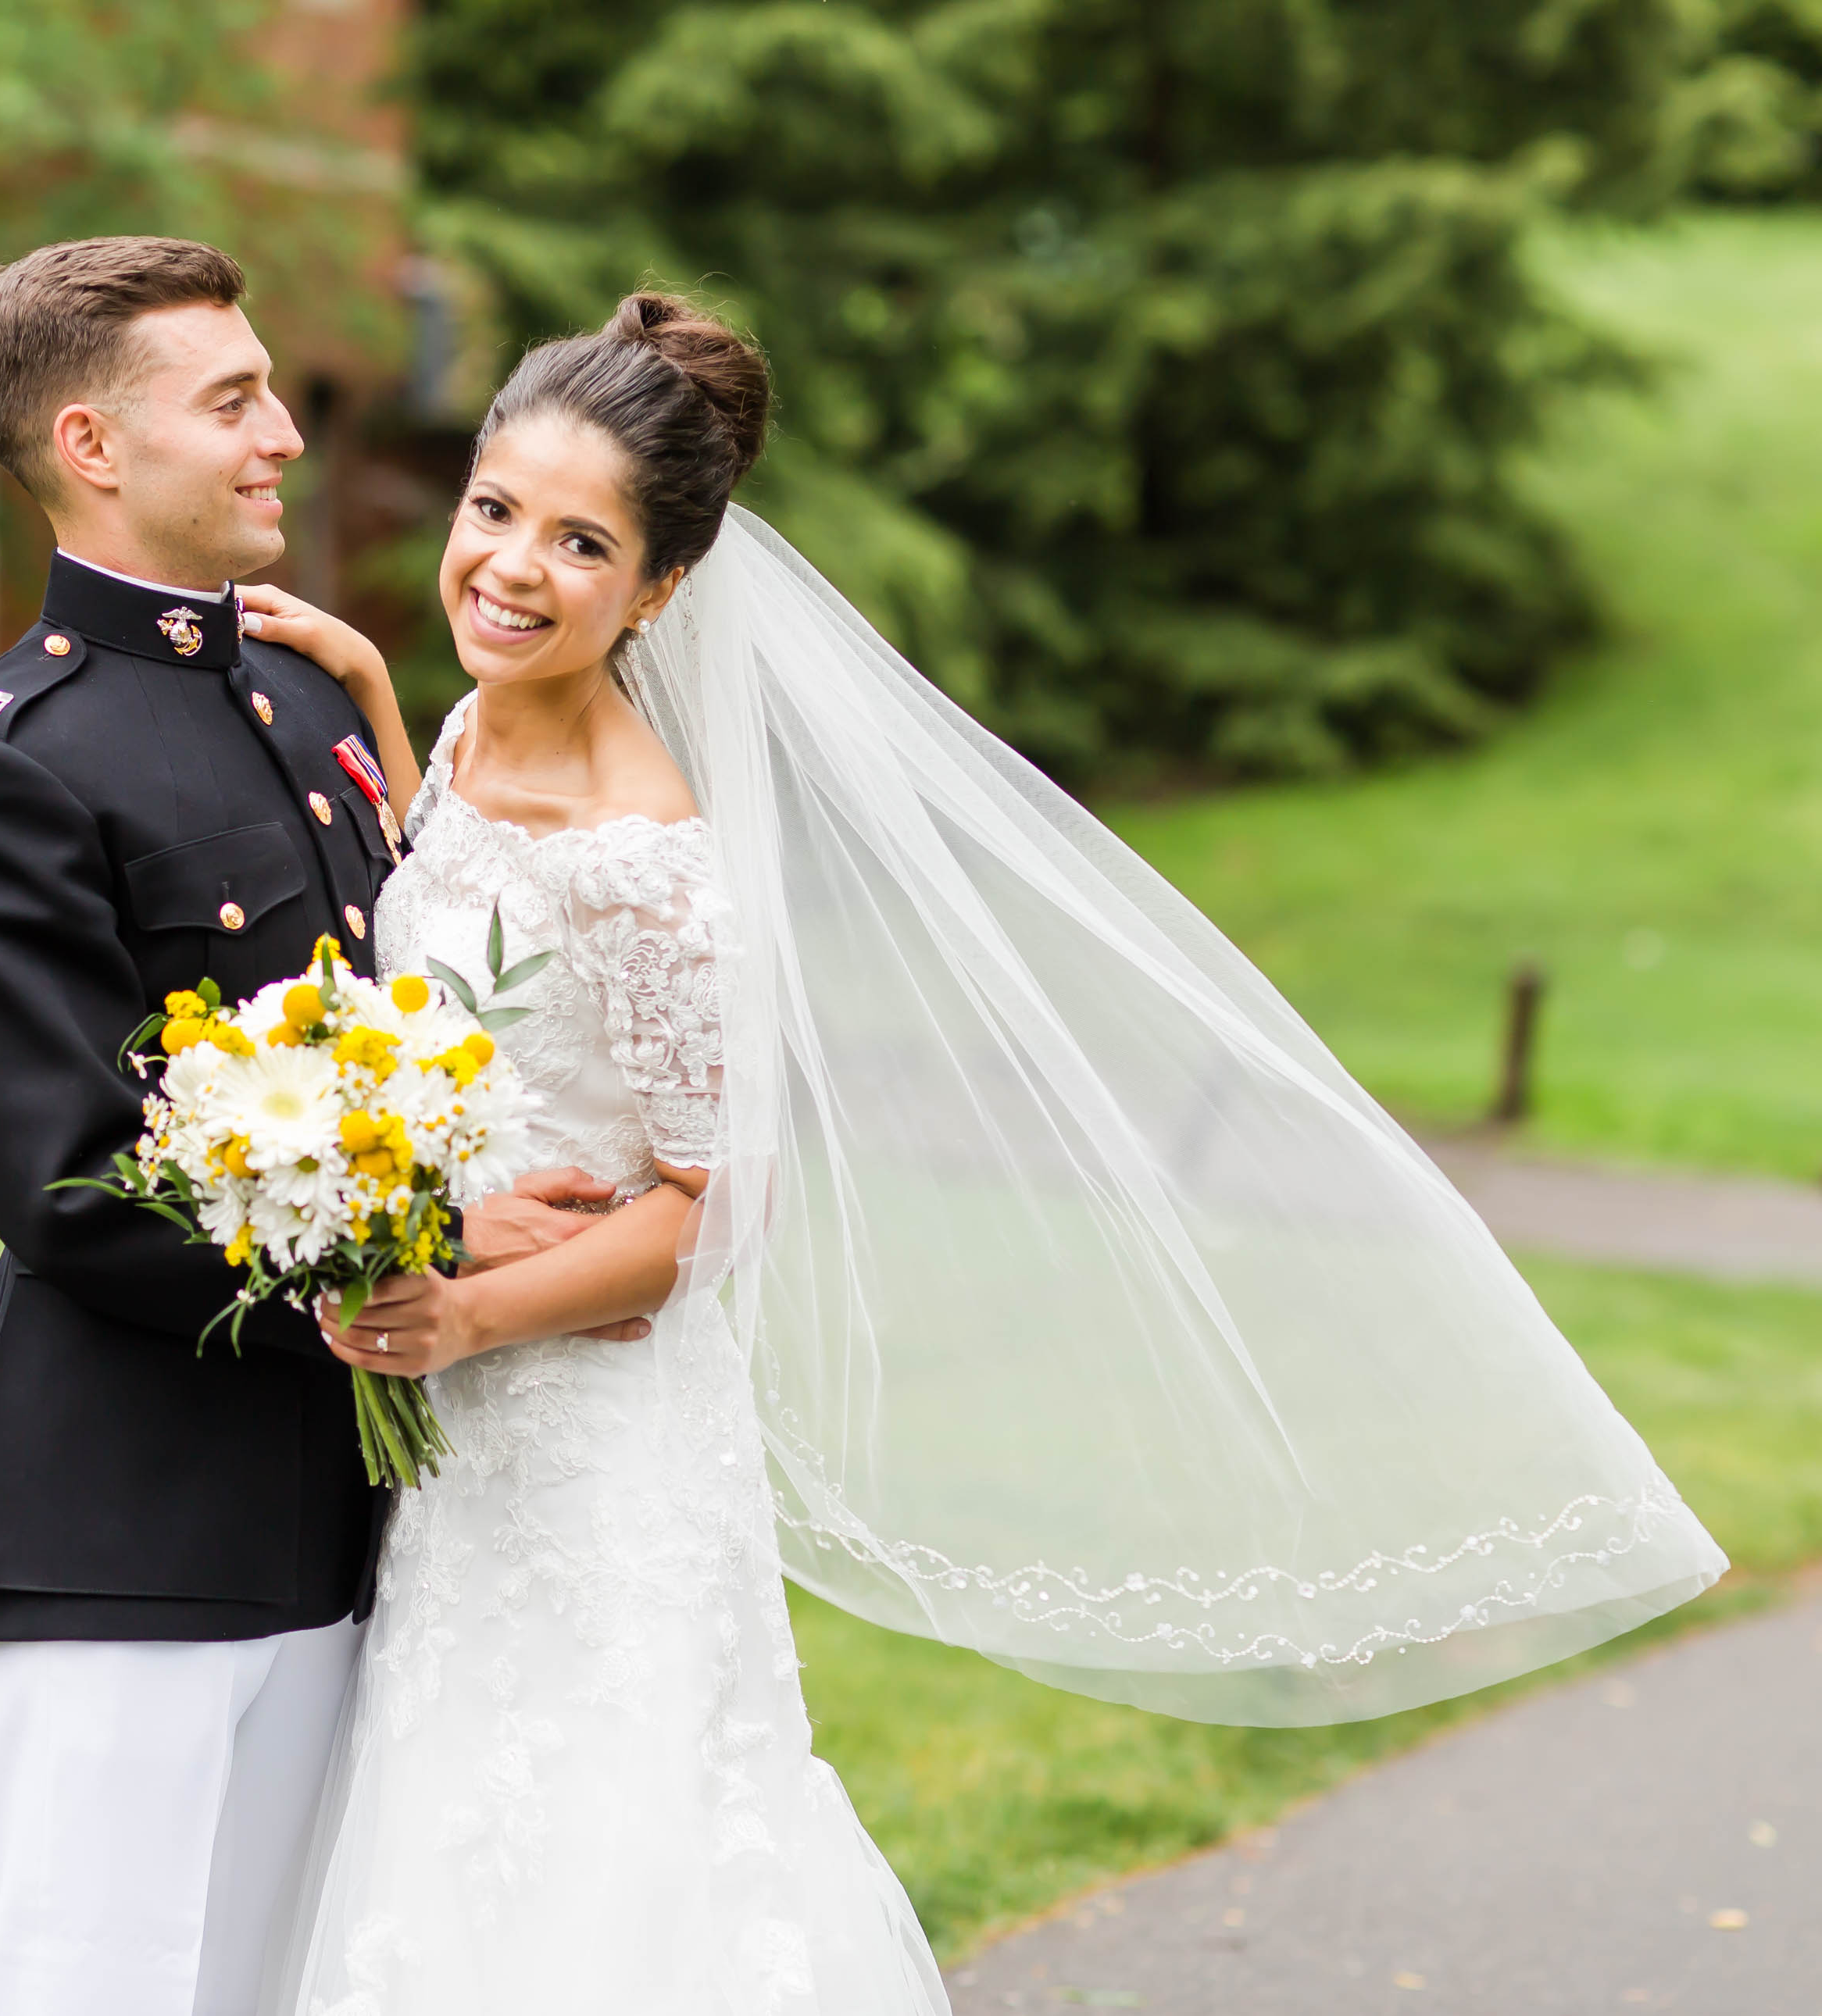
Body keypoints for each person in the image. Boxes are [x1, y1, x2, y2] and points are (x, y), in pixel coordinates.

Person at [242, 294, 1724, 2012]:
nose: (512, 564)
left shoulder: (651, 847)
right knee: (453, 1836)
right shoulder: (481, 739)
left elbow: (723, 1206)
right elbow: (472, 984)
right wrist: (370, 687)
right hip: (467, 1458)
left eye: (581, 543)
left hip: (598, 1446)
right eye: (494, 508)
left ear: (655, 592)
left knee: (612, 1846)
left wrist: (476, 1316)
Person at [0, 237, 638, 2016]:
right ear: (89, 443)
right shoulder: (6, 765)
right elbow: (69, 1180)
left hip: (340, 1506)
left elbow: (407, 1031)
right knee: (101, 1982)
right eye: (233, 401)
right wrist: (435, 1246)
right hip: (124, 1520)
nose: (283, 432)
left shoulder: (299, 697)